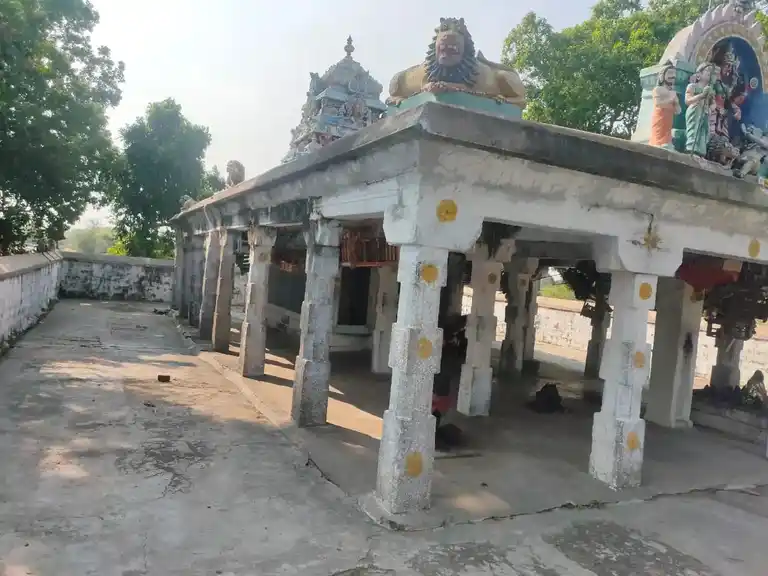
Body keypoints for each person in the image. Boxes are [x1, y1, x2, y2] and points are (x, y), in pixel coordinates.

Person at [685, 63, 715, 157]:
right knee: (694, 130)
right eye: (707, 71)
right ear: (699, 74)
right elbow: (687, 100)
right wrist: (701, 96)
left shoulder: (710, 90)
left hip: (705, 112)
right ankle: (691, 149)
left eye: (710, 72)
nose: (709, 73)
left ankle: (701, 152)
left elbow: (713, 104)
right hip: (695, 111)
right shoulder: (692, 86)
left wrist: (710, 108)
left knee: (704, 132)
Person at [649, 62, 681, 149]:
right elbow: (658, 103)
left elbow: (678, 111)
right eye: (670, 73)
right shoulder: (658, 89)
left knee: (667, 140)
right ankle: (658, 142)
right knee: (658, 137)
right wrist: (671, 98)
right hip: (659, 119)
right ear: (662, 76)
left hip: (668, 123)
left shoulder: (672, 92)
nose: (673, 76)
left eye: (674, 74)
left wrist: (677, 102)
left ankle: (666, 142)